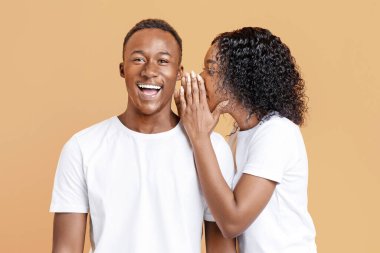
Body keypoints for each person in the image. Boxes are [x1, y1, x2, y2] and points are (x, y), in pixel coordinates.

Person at [50, 19, 236, 253]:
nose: (149, 71)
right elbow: (65, 248)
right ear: (122, 69)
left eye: (163, 61)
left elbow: (221, 247)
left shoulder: (212, 149)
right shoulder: (82, 147)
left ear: (179, 73)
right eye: (138, 59)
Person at [175, 27, 317, 253]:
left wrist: (199, 137)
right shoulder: (234, 140)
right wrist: (192, 129)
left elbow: (233, 221)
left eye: (210, 70)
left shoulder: (276, 132)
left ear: (240, 78)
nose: (201, 78)